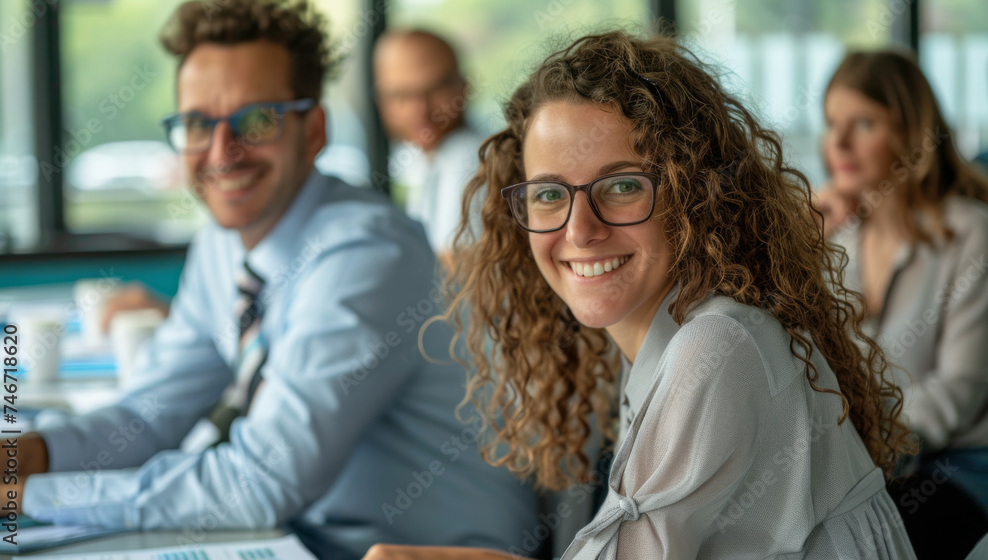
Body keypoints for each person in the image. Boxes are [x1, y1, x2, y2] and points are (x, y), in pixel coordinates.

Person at [0, 1, 537, 557]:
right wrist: (17, 456)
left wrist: (23, 493)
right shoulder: (223, 243)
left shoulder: (367, 252)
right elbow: (145, 416)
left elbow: (259, 483)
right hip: (293, 537)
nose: (223, 151)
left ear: (314, 129)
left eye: (257, 120)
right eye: (199, 124)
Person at [364, 30, 918, 559]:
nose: (580, 231)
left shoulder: (718, 345)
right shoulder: (651, 344)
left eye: (623, 185)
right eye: (550, 194)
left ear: (694, 195)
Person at [819, 49, 988, 558]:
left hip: (959, 466)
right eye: (831, 123)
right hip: (865, 461)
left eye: (864, 123)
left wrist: (856, 452)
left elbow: (956, 394)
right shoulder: (838, 241)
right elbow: (813, 371)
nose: (839, 143)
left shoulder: (971, 234)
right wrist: (801, 246)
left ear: (912, 135)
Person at [374, 29, 484, 268]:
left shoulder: (466, 156)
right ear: (382, 100)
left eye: (435, 89)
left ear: (464, 88)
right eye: (402, 95)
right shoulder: (426, 161)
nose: (419, 110)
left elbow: (450, 275)